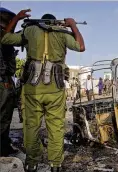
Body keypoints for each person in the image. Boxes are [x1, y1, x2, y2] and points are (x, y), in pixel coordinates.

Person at [1, 9, 85, 172]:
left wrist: (17, 18)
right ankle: (55, 165)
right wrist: (73, 25)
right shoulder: (62, 33)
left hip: (32, 90)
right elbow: (81, 46)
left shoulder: (29, 31)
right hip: (56, 90)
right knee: (56, 128)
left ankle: (32, 163)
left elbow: (5, 38)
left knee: (31, 128)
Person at [0, 7, 19, 157]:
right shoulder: (2, 36)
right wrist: (4, 78)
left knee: (6, 116)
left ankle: (4, 145)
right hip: (3, 80)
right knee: (3, 116)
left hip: (7, 80)